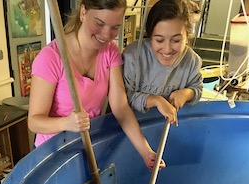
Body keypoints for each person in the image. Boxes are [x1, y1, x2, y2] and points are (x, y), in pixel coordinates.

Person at [28, 0, 164, 170]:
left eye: (115, 27)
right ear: (83, 12)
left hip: (87, 147)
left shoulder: (110, 51)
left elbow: (120, 107)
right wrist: (66, 123)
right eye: (99, 23)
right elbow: (34, 121)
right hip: (53, 154)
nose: (106, 35)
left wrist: (146, 151)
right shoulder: (51, 58)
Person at [122, 0, 203, 125]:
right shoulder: (134, 56)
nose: (167, 49)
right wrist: (155, 100)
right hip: (131, 126)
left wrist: (187, 93)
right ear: (150, 36)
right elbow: (124, 98)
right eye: (159, 40)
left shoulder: (192, 61)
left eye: (176, 40)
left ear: (187, 36)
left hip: (167, 127)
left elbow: (197, 87)